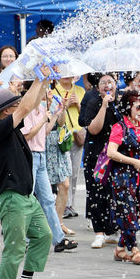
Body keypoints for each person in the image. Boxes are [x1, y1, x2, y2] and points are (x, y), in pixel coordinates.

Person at [0, 71, 53, 279]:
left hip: (25, 195)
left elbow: (30, 105)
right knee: (16, 244)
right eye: (15, 104)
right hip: (10, 196)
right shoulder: (0, 128)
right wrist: (39, 78)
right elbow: (26, 107)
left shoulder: (11, 125)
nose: (19, 105)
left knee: (44, 235)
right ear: (5, 110)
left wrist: (45, 81)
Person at [21, 86, 78, 253]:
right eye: (46, 90)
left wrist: (53, 115)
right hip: (30, 156)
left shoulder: (41, 108)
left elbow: (44, 132)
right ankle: (23, 239)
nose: (50, 93)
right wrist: (43, 118)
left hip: (41, 157)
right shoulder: (28, 108)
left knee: (47, 199)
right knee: (28, 199)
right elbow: (28, 135)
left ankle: (58, 239)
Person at [106, 90, 140, 265]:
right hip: (122, 177)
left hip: (139, 177)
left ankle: (120, 249)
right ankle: (134, 249)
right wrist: (133, 161)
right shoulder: (119, 127)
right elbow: (111, 152)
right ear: (128, 108)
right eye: (138, 107)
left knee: (134, 211)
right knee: (128, 213)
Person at [79, 73, 120, 248]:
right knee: (96, 193)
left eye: (110, 82)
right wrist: (104, 105)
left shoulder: (120, 102)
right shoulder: (93, 100)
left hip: (116, 155)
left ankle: (112, 229)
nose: (107, 85)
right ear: (97, 87)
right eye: (103, 83)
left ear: (116, 85)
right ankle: (99, 232)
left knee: (114, 193)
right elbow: (94, 129)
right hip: (95, 154)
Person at [52, 76, 85, 220]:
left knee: (74, 172)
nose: (67, 76)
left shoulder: (80, 90)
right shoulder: (53, 92)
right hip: (61, 136)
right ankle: (62, 203)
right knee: (62, 173)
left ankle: (70, 203)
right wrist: (63, 107)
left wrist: (78, 104)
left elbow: (85, 114)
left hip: (77, 136)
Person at [44, 92, 74, 237]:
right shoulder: (34, 101)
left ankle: (58, 223)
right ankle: (43, 225)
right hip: (43, 144)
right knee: (43, 189)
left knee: (65, 184)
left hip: (58, 143)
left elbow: (61, 123)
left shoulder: (54, 99)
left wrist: (63, 108)